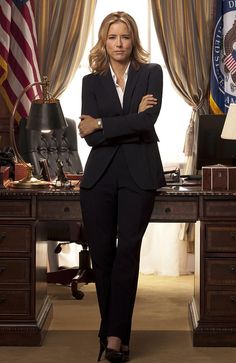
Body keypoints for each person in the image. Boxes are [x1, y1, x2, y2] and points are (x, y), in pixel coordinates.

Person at [78, 11, 165, 363]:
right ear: (104, 40)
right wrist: (124, 120)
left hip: (139, 176)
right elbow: (89, 137)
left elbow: (149, 123)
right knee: (103, 257)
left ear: (133, 41)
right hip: (99, 178)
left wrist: (103, 122)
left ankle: (113, 338)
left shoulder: (151, 73)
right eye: (112, 37)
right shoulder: (91, 81)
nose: (118, 43)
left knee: (127, 253)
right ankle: (112, 331)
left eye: (124, 36)